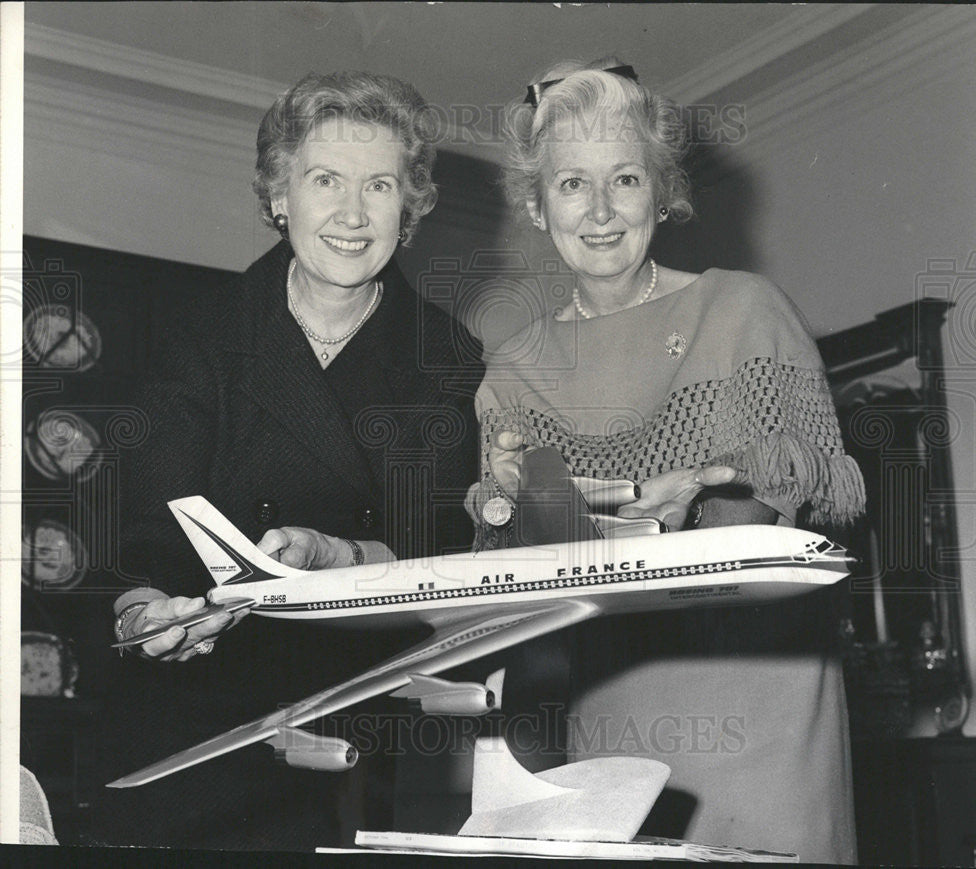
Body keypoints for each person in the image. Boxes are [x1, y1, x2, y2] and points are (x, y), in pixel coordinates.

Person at [469, 58, 865, 863]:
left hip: (758, 699)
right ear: (539, 207)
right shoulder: (514, 367)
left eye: (626, 177)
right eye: (572, 184)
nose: (602, 209)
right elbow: (517, 587)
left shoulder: (741, 308)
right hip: (612, 712)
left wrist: (711, 499)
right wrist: (504, 508)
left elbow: (814, 504)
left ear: (663, 192)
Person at [97, 71, 483, 849]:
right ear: (280, 196)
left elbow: (440, 548)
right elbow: (142, 535)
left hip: (359, 722)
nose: (351, 212)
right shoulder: (198, 333)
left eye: (378, 185)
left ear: (408, 209)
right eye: (325, 180)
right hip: (199, 723)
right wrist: (146, 616)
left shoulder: (447, 355)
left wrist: (337, 558)